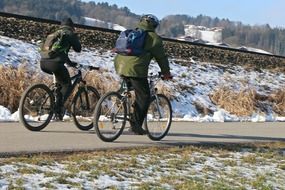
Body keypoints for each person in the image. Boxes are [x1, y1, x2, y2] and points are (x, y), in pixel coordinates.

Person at [114, 14, 172, 135]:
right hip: (136, 70)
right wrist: (166, 73)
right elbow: (161, 57)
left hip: (119, 65)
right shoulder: (154, 38)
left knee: (133, 87)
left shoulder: (132, 33)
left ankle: (121, 98)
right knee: (144, 96)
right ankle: (135, 126)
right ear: (154, 25)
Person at [40, 17, 81, 120]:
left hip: (43, 63)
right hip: (55, 64)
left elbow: (61, 53)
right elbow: (78, 49)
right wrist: (75, 38)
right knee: (67, 84)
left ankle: (53, 102)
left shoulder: (56, 34)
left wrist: (71, 64)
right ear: (71, 27)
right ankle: (57, 107)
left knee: (59, 84)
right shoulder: (69, 33)